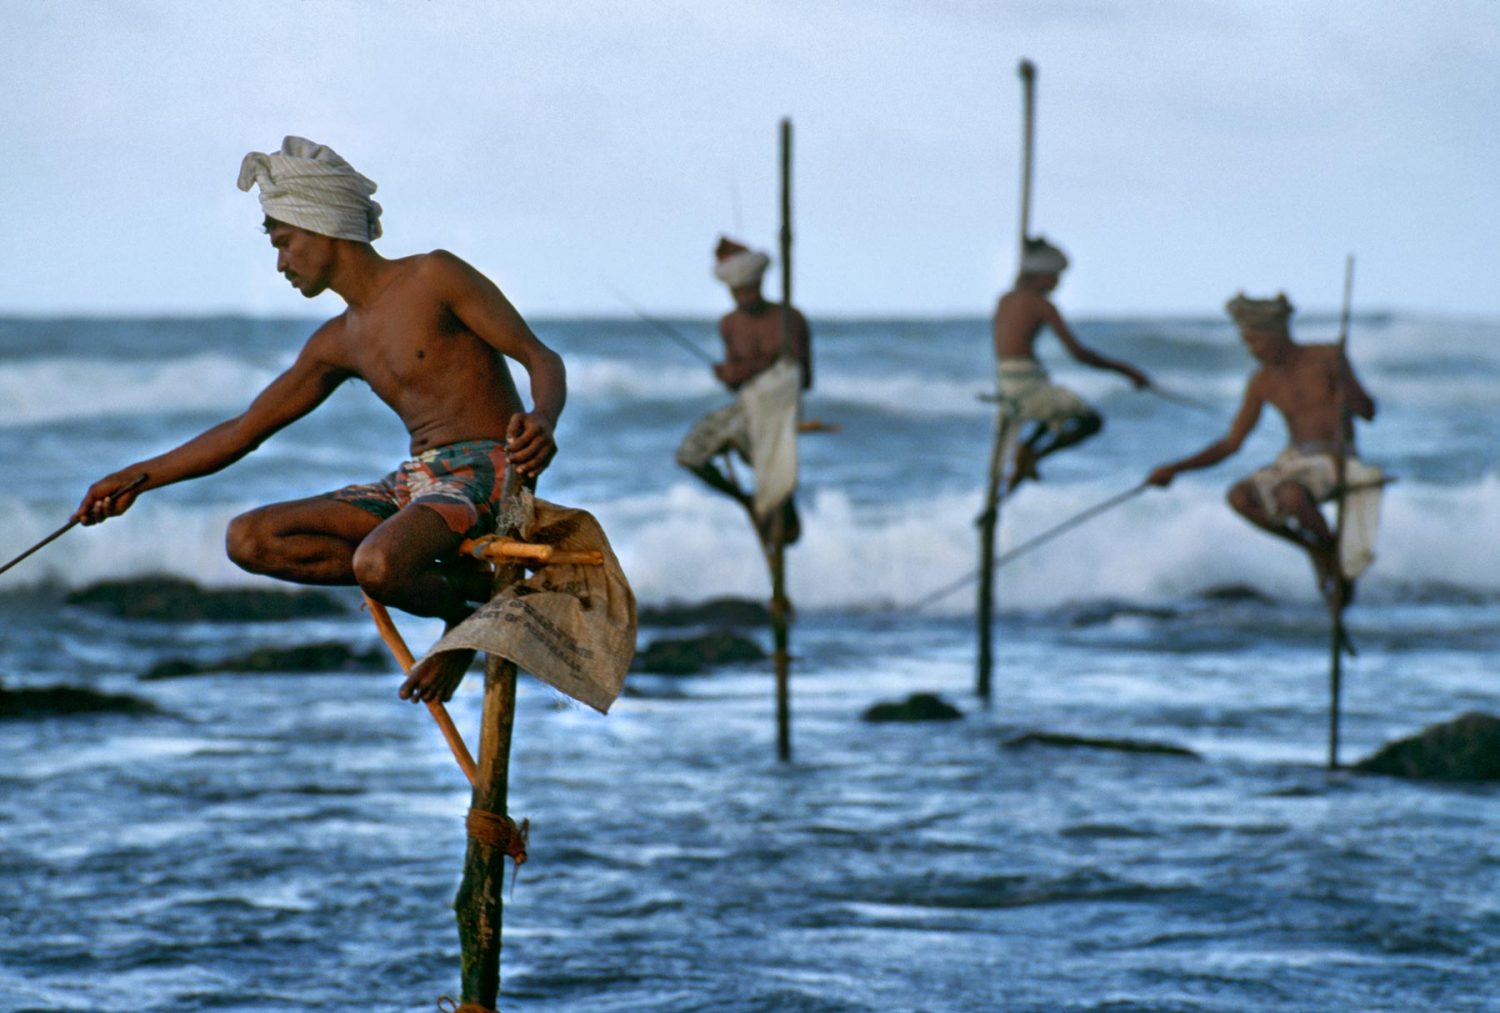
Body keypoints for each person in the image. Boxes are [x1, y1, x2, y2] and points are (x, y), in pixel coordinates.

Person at [74, 136, 566, 704]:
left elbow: (538, 355)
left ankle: (461, 627)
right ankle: (474, 597)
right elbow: (243, 431)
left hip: (489, 470)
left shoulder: (434, 277)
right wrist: (135, 478)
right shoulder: (335, 342)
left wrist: (544, 419)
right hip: (418, 480)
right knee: (250, 539)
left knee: (378, 563)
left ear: (323, 227)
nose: (281, 263)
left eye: (284, 243)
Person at [1146, 293, 1379, 605]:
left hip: (1336, 458)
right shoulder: (1262, 381)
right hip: (1295, 460)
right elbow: (1231, 444)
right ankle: (1315, 548)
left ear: (1277, 335)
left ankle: (1331, 556)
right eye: (1247, 343)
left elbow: (1368, 412)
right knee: (1239, 497)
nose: (1252, 351)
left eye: (1256, 342)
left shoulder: (1326, 357)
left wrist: (1343, 381)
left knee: (1291, 497)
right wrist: (1175, 469)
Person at [675, 236, 810, 542]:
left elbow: (803, 377)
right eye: (736, 290)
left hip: (778, 407)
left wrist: (757, 372)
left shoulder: (789, 319)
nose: (741, 296)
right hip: (747, 406)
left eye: (746, 289)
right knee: (689, 455)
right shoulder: (729, 324)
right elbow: (736, 381)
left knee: (759, 451)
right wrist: (728, 374)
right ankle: (746, 500)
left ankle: (778, 514)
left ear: (758, 283)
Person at [993, 236, 1151, 490]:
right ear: (1042, 274)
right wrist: (1126, 370)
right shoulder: (1042, 304)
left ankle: (1027, 451)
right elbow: (1079, 353)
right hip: (1027, 385)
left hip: (1008, 381)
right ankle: (1033, 455)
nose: (1058, 282)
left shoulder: (1006, 299)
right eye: (1055, 275)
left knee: (1054, 412)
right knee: (1090, 421)